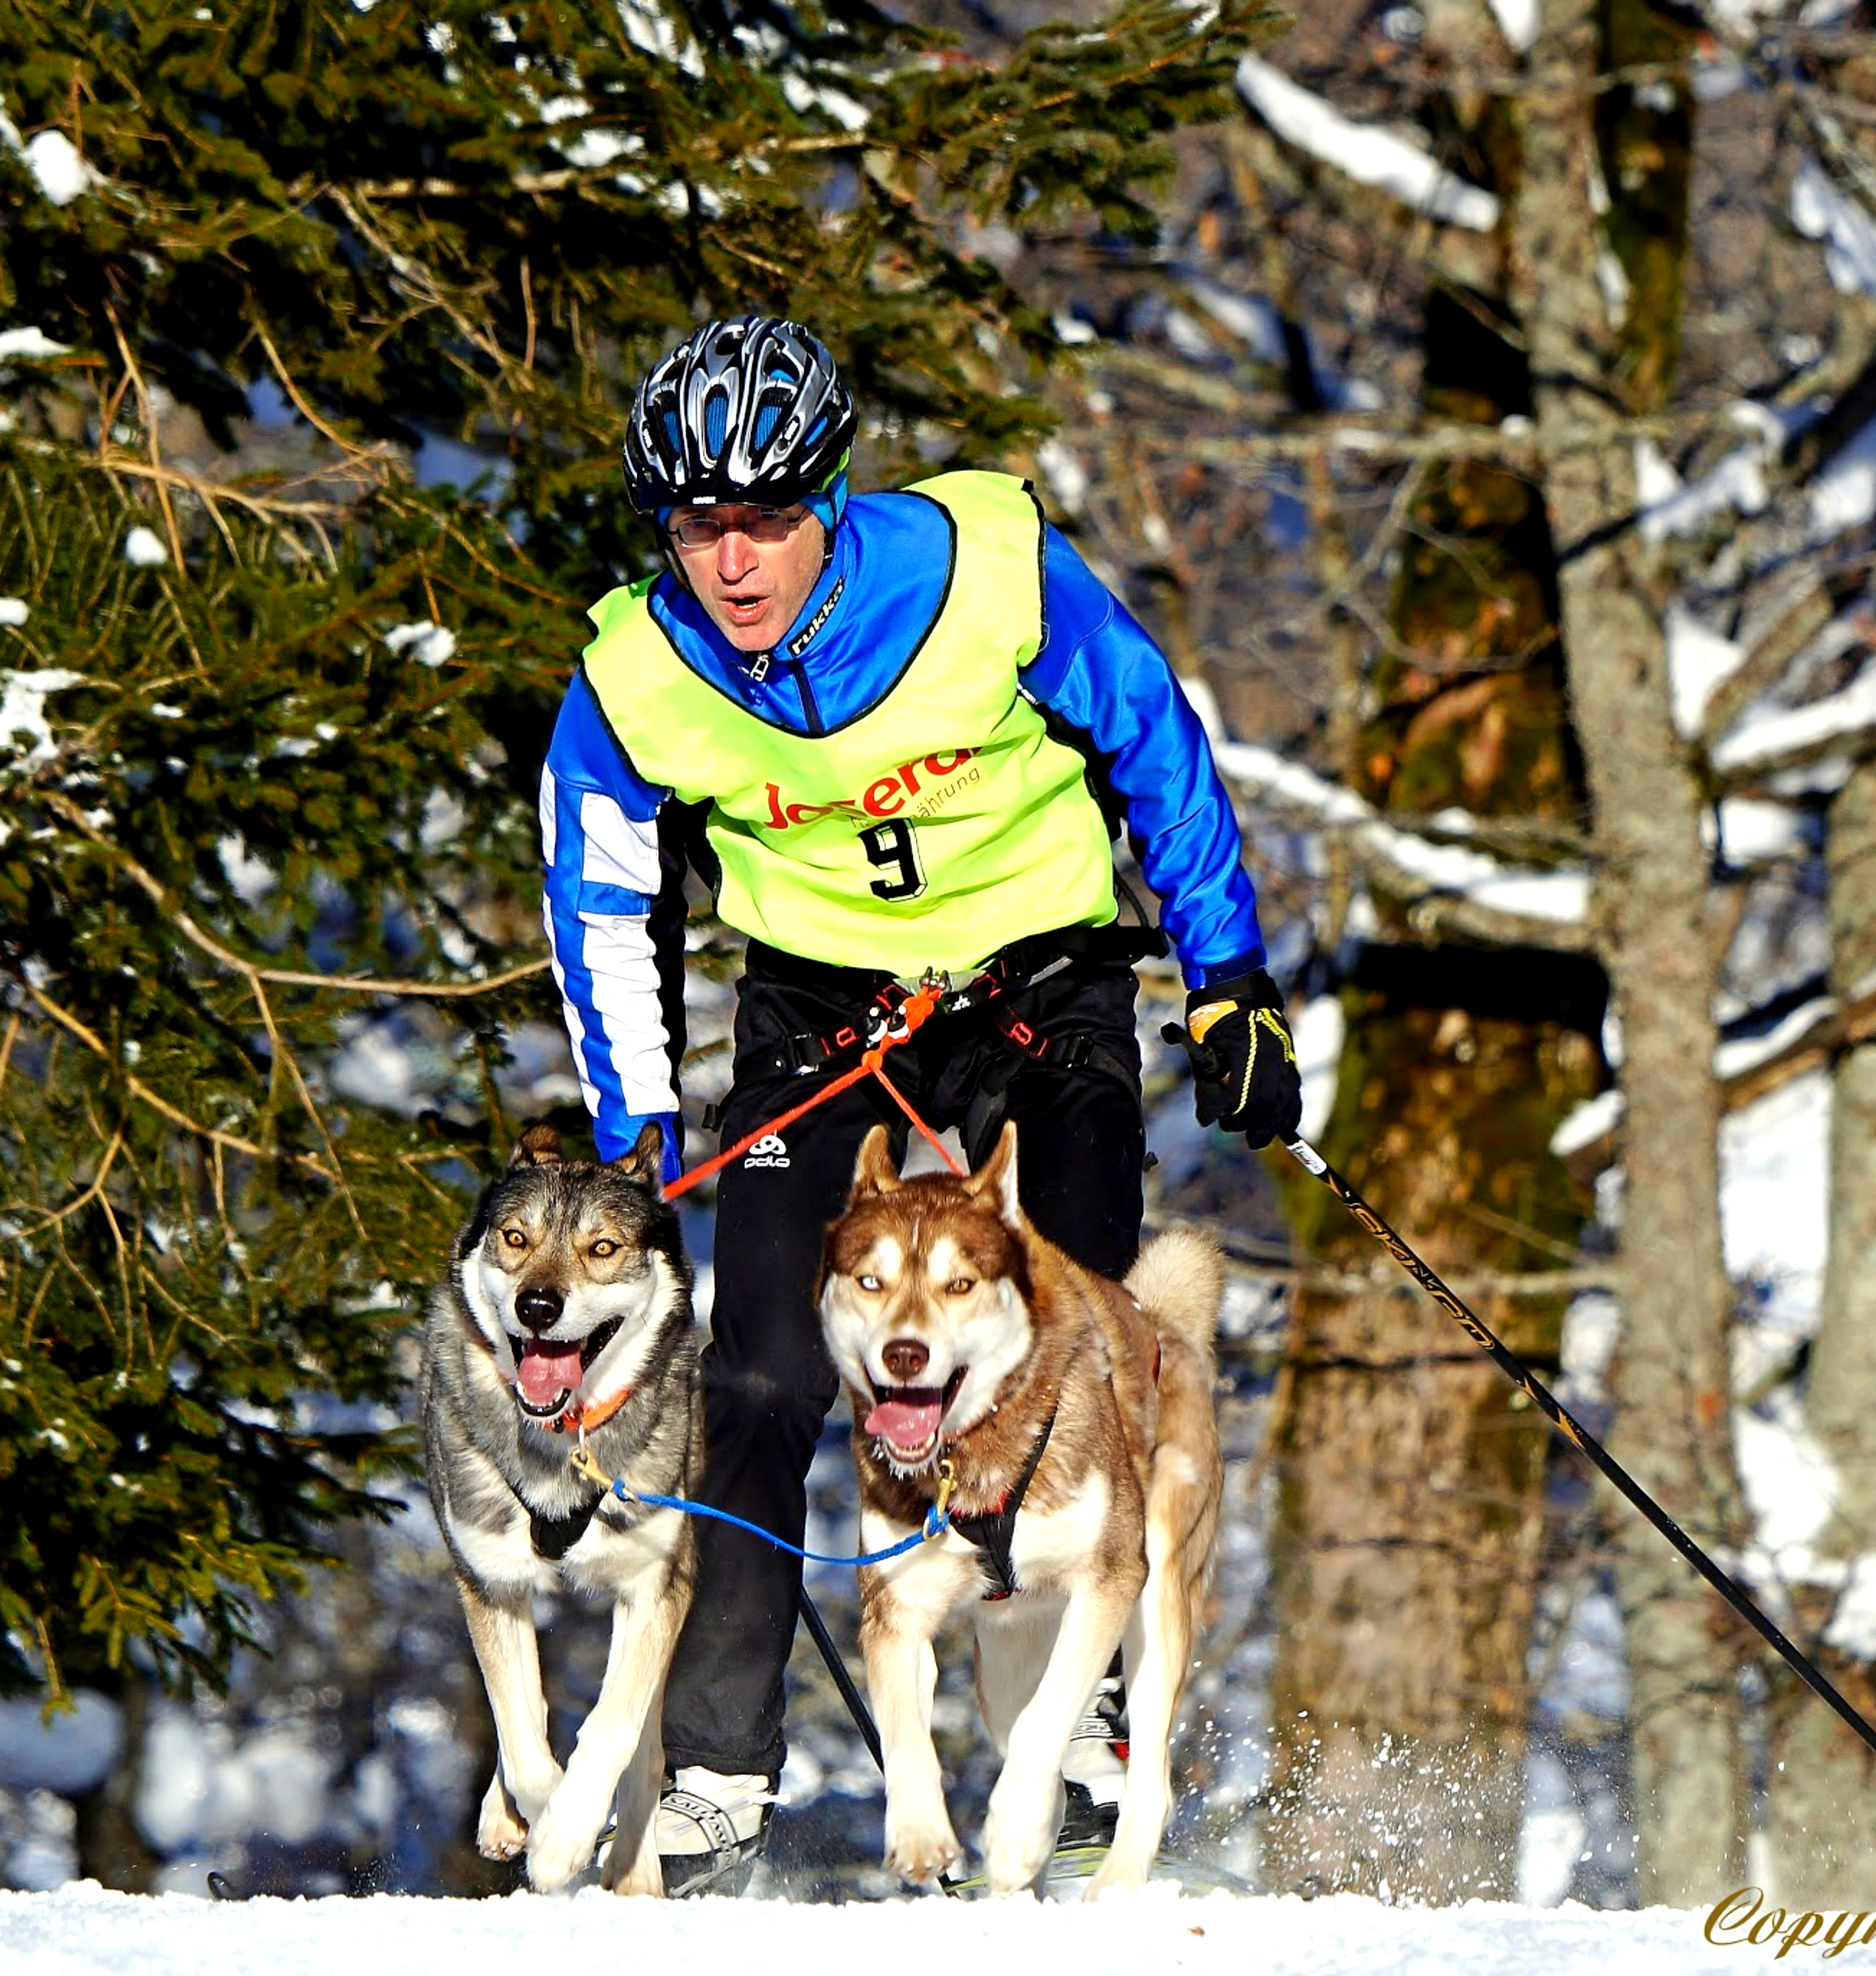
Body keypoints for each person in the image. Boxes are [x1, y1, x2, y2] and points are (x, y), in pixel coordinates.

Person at [538, 315, 1301, 1893]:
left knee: (1072, 1317)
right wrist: (633, 1119)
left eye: (761, 519)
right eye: (696, 526)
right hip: (822, 1012)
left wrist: (1225, 968)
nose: (732, 562)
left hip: (1035, 978)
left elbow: (1151, 734)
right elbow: (602, 894)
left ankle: (1082, 1724)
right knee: (753, 1367)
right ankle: (721, 1765)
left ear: (825, 494)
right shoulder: (631, 670)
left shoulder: (985, 566)